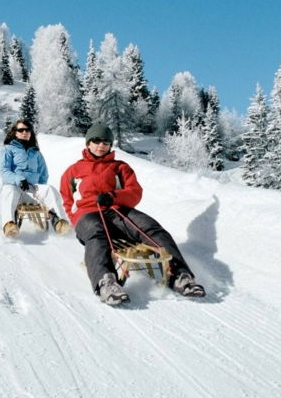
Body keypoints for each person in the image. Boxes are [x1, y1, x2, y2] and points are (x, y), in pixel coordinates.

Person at [60, 123, 206, 305]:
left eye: (105, 142)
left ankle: (180, 275)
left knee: (150, 226)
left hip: (117, 210)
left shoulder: (120, 167)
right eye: (96, 141)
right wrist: (75, 218)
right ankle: (106, 282)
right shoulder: (73, 171)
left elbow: (135, 192)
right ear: (88, 143)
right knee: (96, 232)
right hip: (88, 214)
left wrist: (114, 197)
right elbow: (66, 199)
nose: (101, 145)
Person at [0, 119, 70, 238]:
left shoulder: (36, 153)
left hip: (31, 189)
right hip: (15, 187)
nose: (24, 132)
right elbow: (4, 171)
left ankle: (59, 222)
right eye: (21, 130)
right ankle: (9, 225)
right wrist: (19, 179)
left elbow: (43, 174)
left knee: (49, 189)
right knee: (9, 191)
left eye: (27, 130)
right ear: (15, 133)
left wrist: (39, 191)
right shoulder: (8, 149)